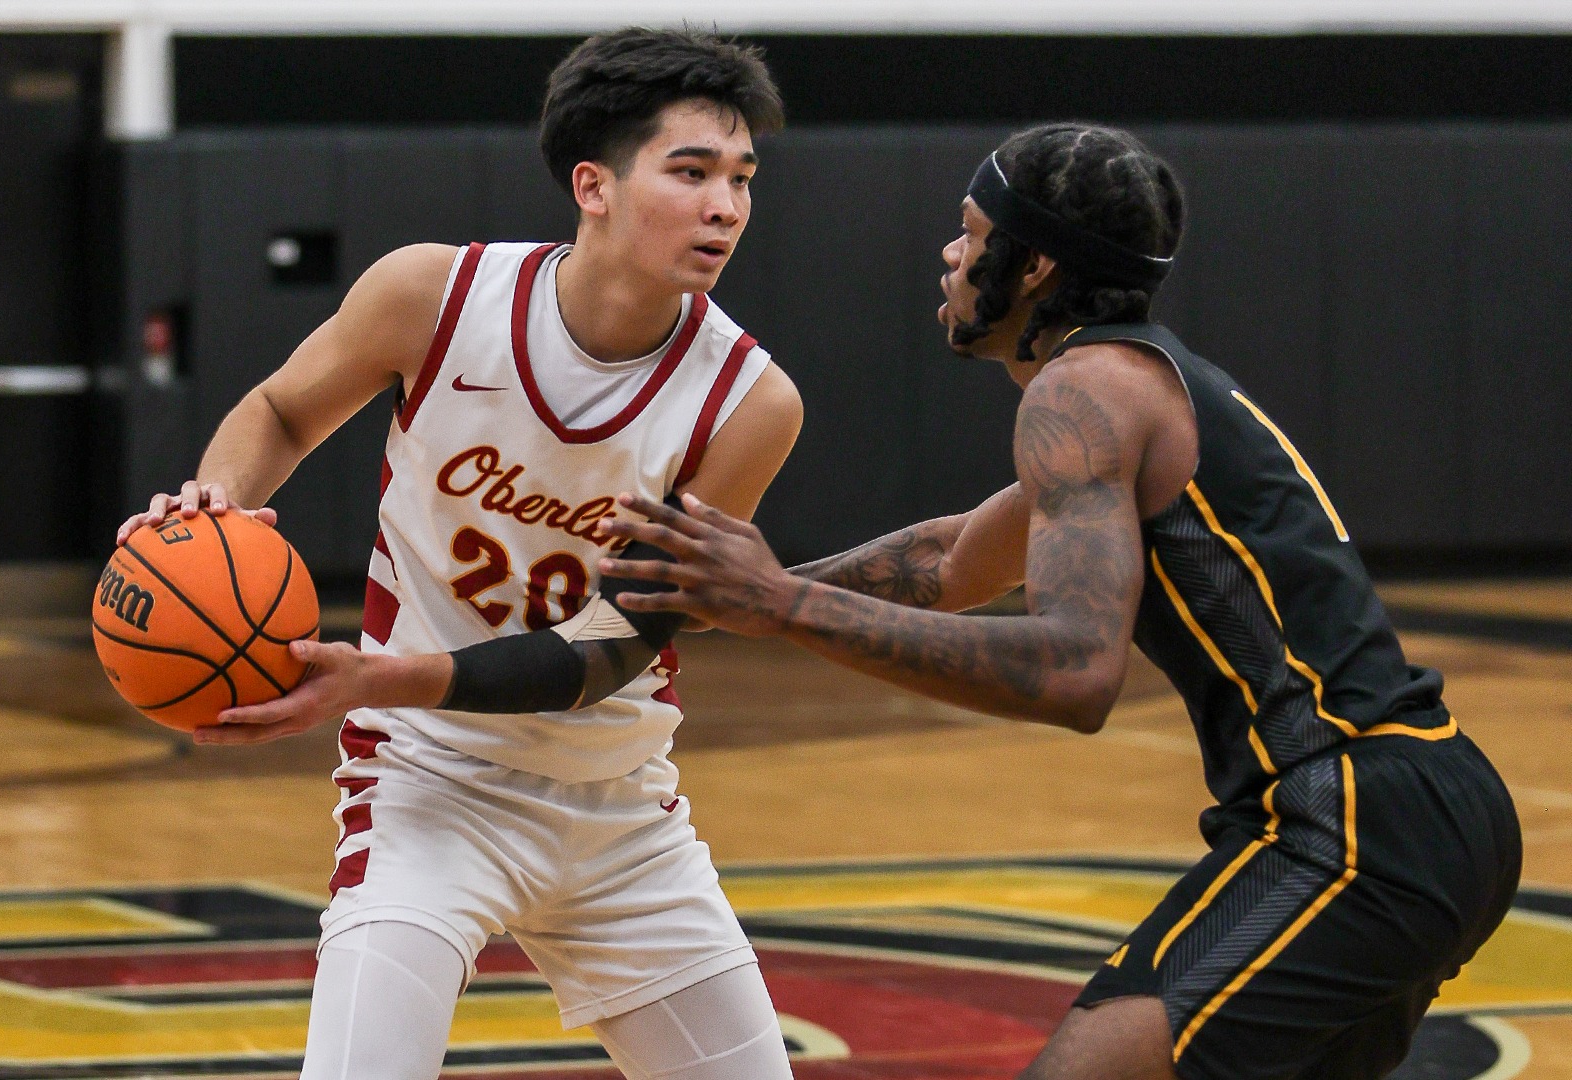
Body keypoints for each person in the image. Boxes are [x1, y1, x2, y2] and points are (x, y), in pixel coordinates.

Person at [595, 123, 1523, 1080]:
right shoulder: (1134, 380)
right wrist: (718, 598)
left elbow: (1075, 672)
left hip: (1358, 821)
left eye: (971, 232)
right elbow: (957, 556)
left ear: (1032, 264)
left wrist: (780, 606)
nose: (951, 254)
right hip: (1425, 805)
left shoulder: (1085, 388)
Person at [118, 28, 804, 1080]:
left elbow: (610, 652)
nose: (727, 206)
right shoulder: (433, 298)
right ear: (594, 185)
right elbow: (282, 413)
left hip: (618, 809)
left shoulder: (747, 402)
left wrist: (379, 675)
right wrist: (212, 510)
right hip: (428, 787)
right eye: (692, 171)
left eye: (742, 178)